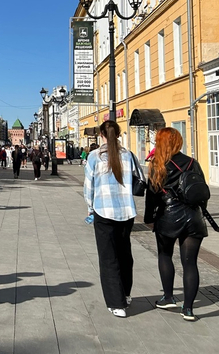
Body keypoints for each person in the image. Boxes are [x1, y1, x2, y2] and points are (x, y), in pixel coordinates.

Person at [144, 127, 207, 322]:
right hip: (193, 217)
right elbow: (201, 191)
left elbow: (152, 196)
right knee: (190, 264)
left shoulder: (157, 165)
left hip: (168, 217)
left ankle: (168, 297)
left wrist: (149, 218)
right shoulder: (191, 162)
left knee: (165, 255)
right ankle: (188, 309)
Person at [83, 120, 137, 318]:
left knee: (108, 258)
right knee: (124, 254)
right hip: (126, 212)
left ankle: (117, 303)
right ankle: (126, 293)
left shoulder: (95, 156)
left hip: (103, 212)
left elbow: (89, 187)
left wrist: (90, 209)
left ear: (101, 135)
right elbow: (136, 180)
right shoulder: (128, 155)